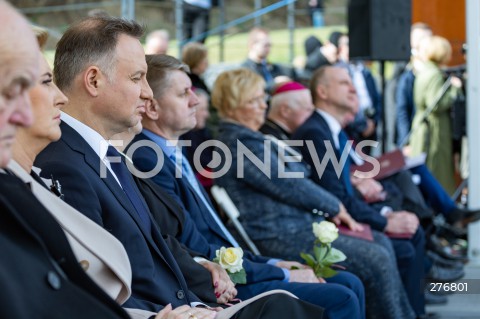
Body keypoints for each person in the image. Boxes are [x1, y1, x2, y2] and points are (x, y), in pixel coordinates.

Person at [35, 15, 326, 319]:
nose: (147, 93)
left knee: (292, 305)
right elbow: (92, 287)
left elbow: (153, 241)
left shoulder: (105, 154)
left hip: (190, 300)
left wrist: (202, 270)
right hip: (165, 312)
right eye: (137, 78)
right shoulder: (66, 163)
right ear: (94, 81)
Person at [129, 55, 363, 319]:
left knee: (349, 282)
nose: (196, 100)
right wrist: (278, 270)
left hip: (238, 259)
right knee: (344, 293)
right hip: (216, 279)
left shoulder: (171, 152)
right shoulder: (148, 158)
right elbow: (193, 244)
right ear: (152, 107)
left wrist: (272, 264)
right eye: (184, 94)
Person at [210, 69, 419, 319]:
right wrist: (336, 206)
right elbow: (290, 184)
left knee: (380, 246)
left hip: (294, 227)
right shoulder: (238, 143)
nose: (263, 105)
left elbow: (299, 172)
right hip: (277, 234)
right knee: (376, 258)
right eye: (254, 100)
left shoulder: (249, 139)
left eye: (261, 98)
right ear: (235, 105)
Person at [0, 2, 130, 318]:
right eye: (45, 82)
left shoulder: (22, 184)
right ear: (94, 80)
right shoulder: (63, 167)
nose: (61, 97)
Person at [292, 66, 427, 318]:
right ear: (322, 91)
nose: (353, 88)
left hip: (345, 212)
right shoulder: (315, 133)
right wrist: (384, 221)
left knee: (409, 232)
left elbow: (341, 187)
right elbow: (336, 198)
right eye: (344, 83)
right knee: (398, 245)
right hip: (329, 221)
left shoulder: (328, 129)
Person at [410, 35, 462, 195]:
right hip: (434, 131)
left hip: (425, 127)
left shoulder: (425, 71)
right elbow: (436, 104)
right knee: (437, 171)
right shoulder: (433, 74)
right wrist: (455, 89)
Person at [241, 27, 294, 94]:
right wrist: (274, 83)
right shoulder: (245, 70)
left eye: (270, 45)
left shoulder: (270, 66)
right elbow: (252, 91)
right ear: (253, 45)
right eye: (265, 45)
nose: (269, 49)